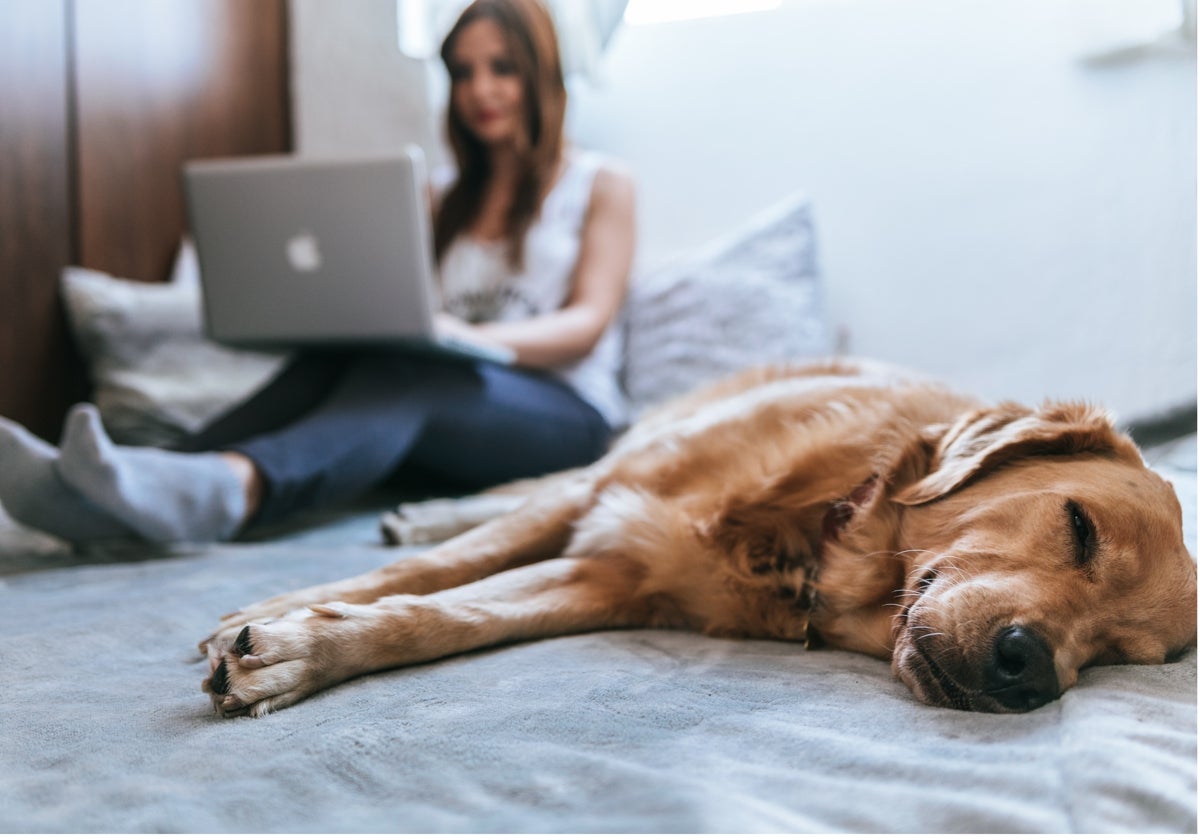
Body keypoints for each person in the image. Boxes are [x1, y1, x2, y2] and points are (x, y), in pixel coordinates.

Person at [0, 0, 635, 545]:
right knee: (343, 362)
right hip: (444, 400)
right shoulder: (438, 197)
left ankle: (233, 490)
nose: (480, 91)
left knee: (412, 371)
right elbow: (401, 303)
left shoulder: (600, 183)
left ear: (540, 73)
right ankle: (131, 481)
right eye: (463, 72)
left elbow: (587, 323)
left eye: (502, 69)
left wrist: (467, 340)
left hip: (564, 416)